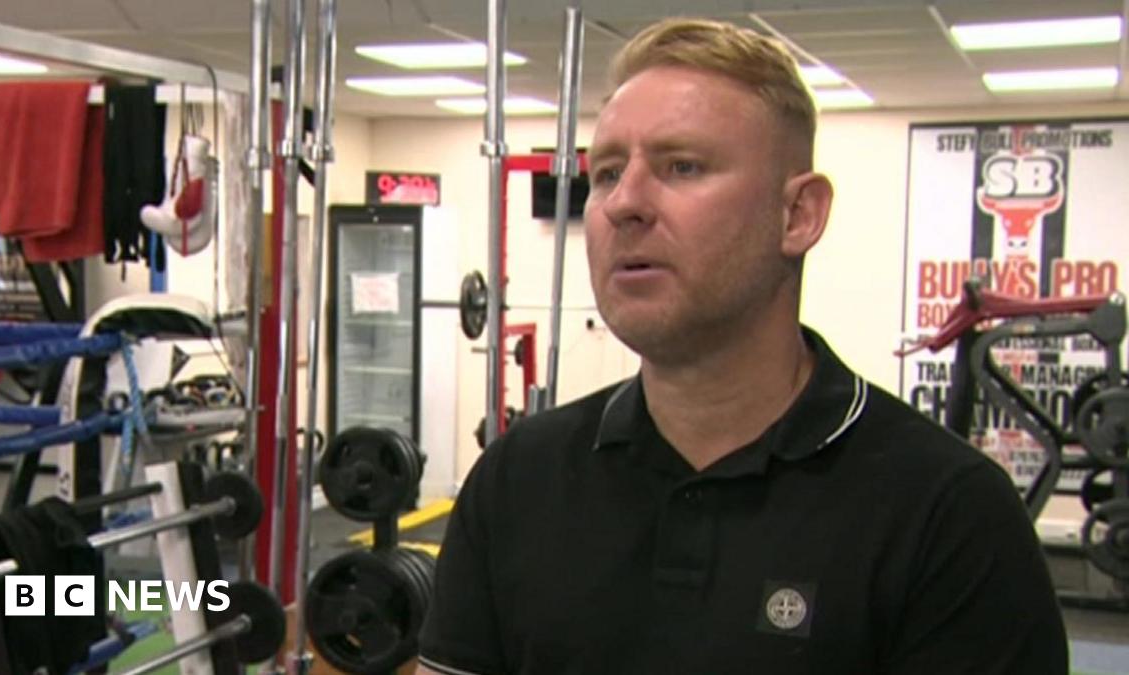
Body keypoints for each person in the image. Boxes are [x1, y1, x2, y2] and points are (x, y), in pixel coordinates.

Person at [417, 17, 1068, 675]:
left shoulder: (949, 516)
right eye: (608, 172)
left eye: (682, 166)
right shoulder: (514, 481)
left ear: (798, 215)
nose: (625, 203)